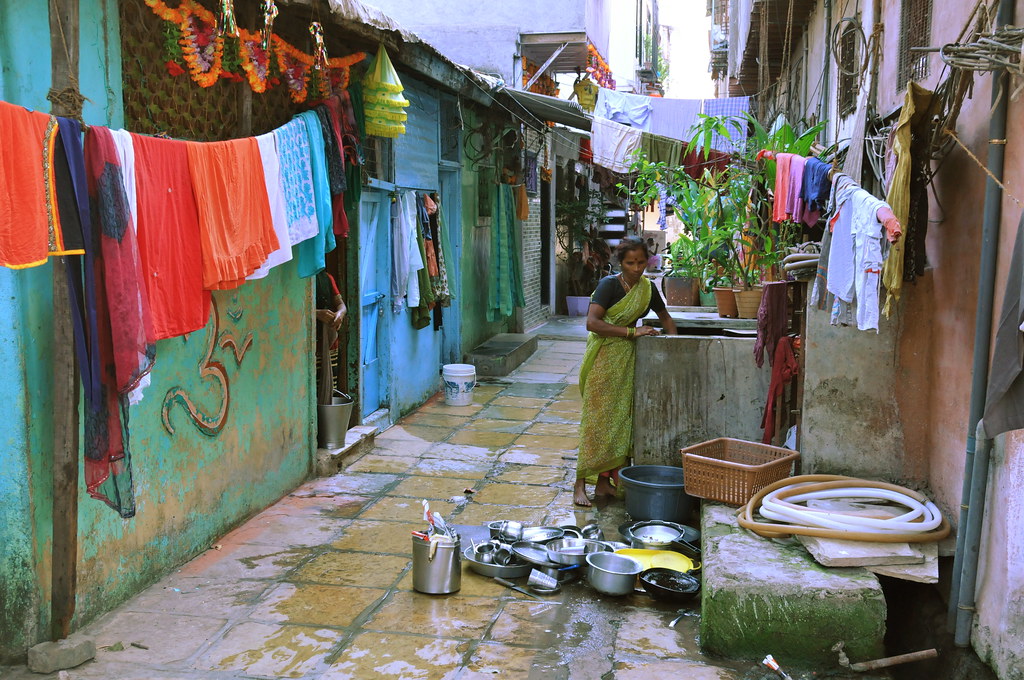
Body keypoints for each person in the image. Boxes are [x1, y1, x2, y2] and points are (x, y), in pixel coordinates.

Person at [575, 237, 678, 506]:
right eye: (630, 263)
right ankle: (579, 485)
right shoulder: (608, 285)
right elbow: (592, 323)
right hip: (603, 357)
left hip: (628, 359)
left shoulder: (647, 288)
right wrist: (633, 331)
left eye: (641, 262)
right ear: (620, 263)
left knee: (621, 422)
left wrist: (676, 347)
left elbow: (666, 318)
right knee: (596, 422)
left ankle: (604, 484)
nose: (636, 268)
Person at [315, 270, 348, 405]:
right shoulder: (300, 279)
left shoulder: (327, 278)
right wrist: (316, 313)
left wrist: (339, 314)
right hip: (310, 344)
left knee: (328, 386)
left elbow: (341, 304)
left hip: (329, 342)